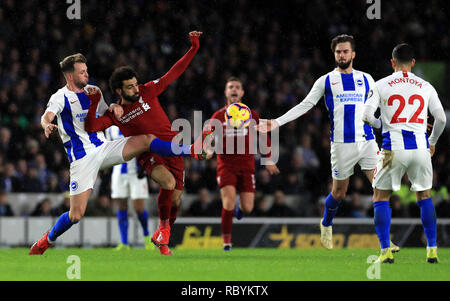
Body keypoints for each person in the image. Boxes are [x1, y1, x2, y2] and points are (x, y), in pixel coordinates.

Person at [29, 52, 209, 255]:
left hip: (104, 148)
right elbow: (48, 116)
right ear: (70, 76)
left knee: (147, 139)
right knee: (76, 215)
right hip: (82, 159)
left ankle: (189, 150)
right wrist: (46, 125)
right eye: (82, 72)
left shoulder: (94, 90)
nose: (87, 75)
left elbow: (108, 113)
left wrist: (113, 106)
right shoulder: (59, 97)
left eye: (86, 70)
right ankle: (46, 241)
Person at [256, 34, 398, 251]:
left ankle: (386, 243)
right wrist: (277, 122)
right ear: (335, 54)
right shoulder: (326, 81)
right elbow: (305, 105)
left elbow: (376, 112)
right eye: (338, 52)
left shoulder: (367, 79)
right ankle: (326, 223)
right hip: (341, 145)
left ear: (353, 54)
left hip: (368, 142)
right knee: (339, 193)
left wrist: (388, 125)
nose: (342, 55)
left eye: (345, 51)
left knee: (381, 188)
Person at [85, 31, 213, 255]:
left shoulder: (148, 90)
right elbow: (91, 127)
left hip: (172, 145)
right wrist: (96, 103)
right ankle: (162, 232)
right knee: (168, 183)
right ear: (118, 91)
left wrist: (193, 49)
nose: (136, 89)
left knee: (175, 200)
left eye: (135, 84)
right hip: (148, 152)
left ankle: (162, 237)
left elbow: (173, 73)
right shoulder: (116, 113)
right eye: (130, 87)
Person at [363, 43, 446, 263]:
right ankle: (432, 249)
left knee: (381, 197)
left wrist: (383, 124)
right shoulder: (425, 85)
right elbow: (442, 119)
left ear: (392, 62)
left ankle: (385, 251)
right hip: (420, 149)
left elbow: (366, 116)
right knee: (425, 196)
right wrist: (433, 141)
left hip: (392, 150)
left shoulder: (381, 85)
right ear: (413, 63)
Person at [208, 77, 280, 251]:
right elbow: (207, 138)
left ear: (242, 93)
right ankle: (226, 242)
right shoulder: (217, 116)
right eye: (230, 86)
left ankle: (240, 211)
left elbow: (264, 137)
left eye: (237, 87)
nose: (234, 89)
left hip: (247, 167)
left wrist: (269, 158)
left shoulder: (252, 115)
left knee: (248, 208)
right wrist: (208, 149)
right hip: (226, 166)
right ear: (226, 92)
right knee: (228, 202)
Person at [105, 125, 152, 251]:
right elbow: (108, 149)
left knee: (139, 208)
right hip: (119, 171)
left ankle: (147, 237)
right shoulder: (111, 129)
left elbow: (147, 145)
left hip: (136, 172)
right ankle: (124, 243)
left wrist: (145, 166)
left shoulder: (136, 123)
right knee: (121, 206)